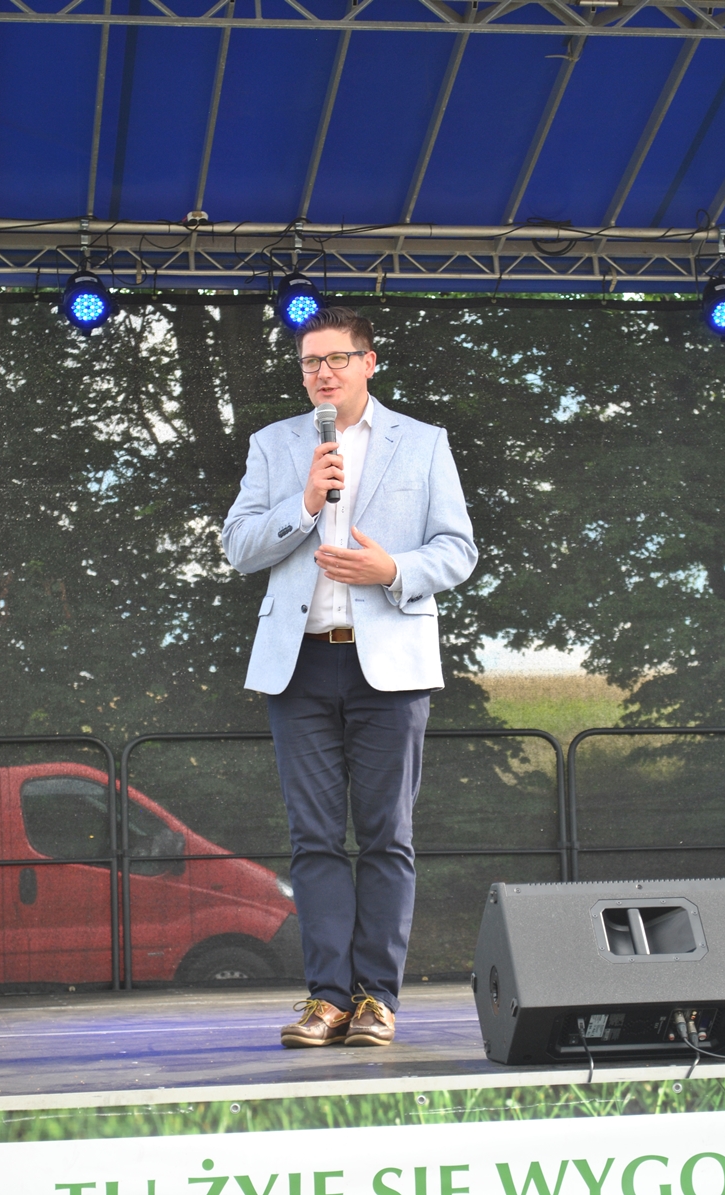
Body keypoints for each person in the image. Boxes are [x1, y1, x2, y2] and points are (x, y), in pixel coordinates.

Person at [222, 306, 477, 1048]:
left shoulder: (423, 442)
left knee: (386, 835)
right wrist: (303, 503)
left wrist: (391, 568)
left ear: (370, 362)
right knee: (313, 839)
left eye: (337, 358)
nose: (323, 373)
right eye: (311, 362)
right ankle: (328, 998)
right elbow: (239, 546)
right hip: (299, 664)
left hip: (388, 664)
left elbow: (458, 550)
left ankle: (376, 999)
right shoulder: (274, 444)